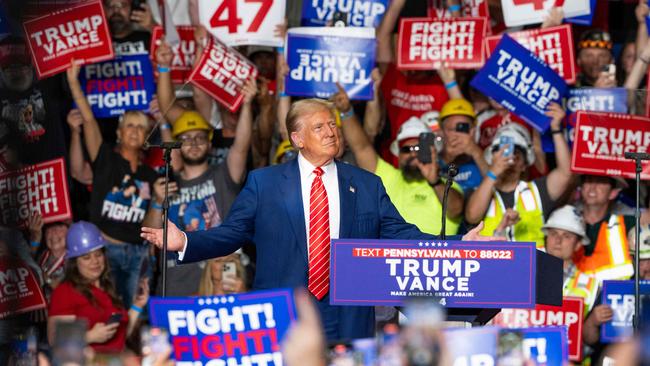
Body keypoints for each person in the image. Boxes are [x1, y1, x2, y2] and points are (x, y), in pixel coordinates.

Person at [142, 98, 490, 340]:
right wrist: (185, 241)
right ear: (297, 139)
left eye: (333, 125)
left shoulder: (366, 184)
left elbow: (402, 234)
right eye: (319, 126)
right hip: (286, 312)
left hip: (348, 313)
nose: (330, 131)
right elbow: (232, 234)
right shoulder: (264, 183)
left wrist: (458, 244)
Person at [67, 63, 157, 308]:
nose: (135, 131)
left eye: (141, 126)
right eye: (130, 124)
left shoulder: (151, 175)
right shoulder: (105, 157)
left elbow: (151, 220)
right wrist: (74, 82)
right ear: (119, 132)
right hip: (108, 252)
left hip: (139, 253)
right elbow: (88, 118)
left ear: (147, 136)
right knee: (109, 312)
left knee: (138, 317)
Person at [336, 89, 464, 236]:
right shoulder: (388, 177)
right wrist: (345, 111)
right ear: (398, 155)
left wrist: (435, 181)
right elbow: (361, 148)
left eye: (419, 148)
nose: (413, 153)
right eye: (406, 149)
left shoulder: (447, 185)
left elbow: (456, 210)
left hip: (434, 258)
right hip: (391, 258)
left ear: (433, 151)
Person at [465, 104, 572, 249]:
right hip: (493, 268)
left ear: (525, 164)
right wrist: (494, 172)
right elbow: (472, 215)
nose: (510, 159)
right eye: (502, 153)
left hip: (533, 268)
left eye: (517, 154)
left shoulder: (538, 191)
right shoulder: (482, 192)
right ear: (491, 158)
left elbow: (565, 172)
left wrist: (556, 129)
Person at [48, 221, 149, 354]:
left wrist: (138, 305)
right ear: (74, 263)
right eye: (86, 257)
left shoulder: (107, 288)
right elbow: (54, 340)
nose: (95, 261)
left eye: (98, 254)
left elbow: (121, 334)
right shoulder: (65, 291)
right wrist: (89, 336)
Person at [574, 175, 650, 282]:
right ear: (581, 187)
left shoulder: (625, 222)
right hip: (570, 295)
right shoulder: (564, 222)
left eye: (600, 182)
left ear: (613, 193)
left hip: (616, 295)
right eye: (588, 180)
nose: (592, 187)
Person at [542, 205, 598, 313]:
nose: (558, 240)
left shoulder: (590, 286)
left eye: (566, 236)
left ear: (578, 244)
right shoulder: (526, 276)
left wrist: (593, 321)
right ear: (547, 238)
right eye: (554, 234)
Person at [435, 99, 488, 192]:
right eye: (452, 129)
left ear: (473, 131)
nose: (458, 135)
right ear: (441, 132)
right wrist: (447, 159)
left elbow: (498, 187)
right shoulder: (433, 160)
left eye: (463, 128)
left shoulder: (486, 156)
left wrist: (477, 154)